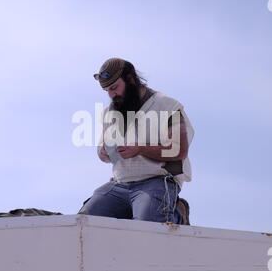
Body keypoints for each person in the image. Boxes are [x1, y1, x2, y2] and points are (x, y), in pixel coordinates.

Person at [77, 57, 194, 225]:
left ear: (131, 79)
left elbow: (179, 150)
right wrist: (103, 153)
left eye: (114, 88)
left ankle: (176, 212)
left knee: (148, 224)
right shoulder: (109, 113)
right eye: (107, 91)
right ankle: (133, 209)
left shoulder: (167, 105)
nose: (111, 95)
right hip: (120, 184)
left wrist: (141, 149)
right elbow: (102, 153)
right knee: (85, 220)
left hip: (157, 181)